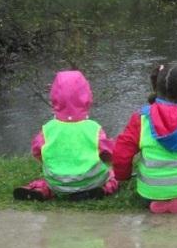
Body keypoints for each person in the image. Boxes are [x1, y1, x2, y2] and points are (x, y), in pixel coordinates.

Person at [113, 63, 177, 215]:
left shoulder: (141, 119)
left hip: (149, 194)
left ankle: (162, 203)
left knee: (155, 194)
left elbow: (121, 153)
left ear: (156, 86)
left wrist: (123, 176)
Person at [13, 70, 118, 201]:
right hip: (90, 181)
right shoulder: (93, 128)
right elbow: (109, 153)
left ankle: (41, 190)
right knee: (112, 175)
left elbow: (37, 152)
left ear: (55, 98)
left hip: (56, 181)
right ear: (87, 97)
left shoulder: (48, 128)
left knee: (50, 183)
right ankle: (100, 190)